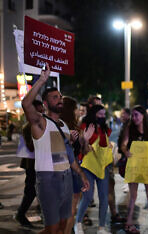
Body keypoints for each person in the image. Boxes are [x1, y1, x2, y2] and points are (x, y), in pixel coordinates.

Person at [21, 65, 90, 234]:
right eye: (54, 97)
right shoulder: (40, 122)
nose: (59, 100)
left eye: (60, 97)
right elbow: (26, 104)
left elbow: (67, 156)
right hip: (48, 179)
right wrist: (42, 80)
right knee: (51, 229)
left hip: (66, 177)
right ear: (45, 104)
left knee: (62, 226)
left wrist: (81, 175)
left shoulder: (64, 126)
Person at [75, 104, 113, 234]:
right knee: (87, 196)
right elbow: (82, 149)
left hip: (103, 166)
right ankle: (78, 223)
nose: (102, 117)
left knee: (104, 198)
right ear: (93, 114)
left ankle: (101, 228)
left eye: (103, 114)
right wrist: (85, 140)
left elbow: (106, 146)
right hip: (88, 166)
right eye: (99, 114)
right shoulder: (85, 126)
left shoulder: (105, 129)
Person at [121, 105, 148, 234]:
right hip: (134, 165)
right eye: (133, 115)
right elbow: (123, 145)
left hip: (147, 166)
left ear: (143, 116)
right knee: (133, 196)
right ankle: (128, 223)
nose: (134, 118)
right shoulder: (129, 128)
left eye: (137, 114)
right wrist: (126, 152)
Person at [61, 96, 95, 234]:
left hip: (75, 170)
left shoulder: (77, 127)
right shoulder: (59, 127)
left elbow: (85, 152)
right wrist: (68, 140)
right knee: (65, 209)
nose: (78, 112)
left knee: (72, 208)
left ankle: (69, 230)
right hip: (63, 170)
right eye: (76, 109)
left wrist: (85, 141)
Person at [15, 100, 44, 228]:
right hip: (32, 164)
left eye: (42, 110)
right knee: (31, 190)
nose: (41, 113)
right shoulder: (29, 127)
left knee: (40, 190)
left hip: (39, 163)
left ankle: (41, 212)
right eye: (38, 111)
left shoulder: (38, 124)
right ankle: (21, 214)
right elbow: (30, 147)